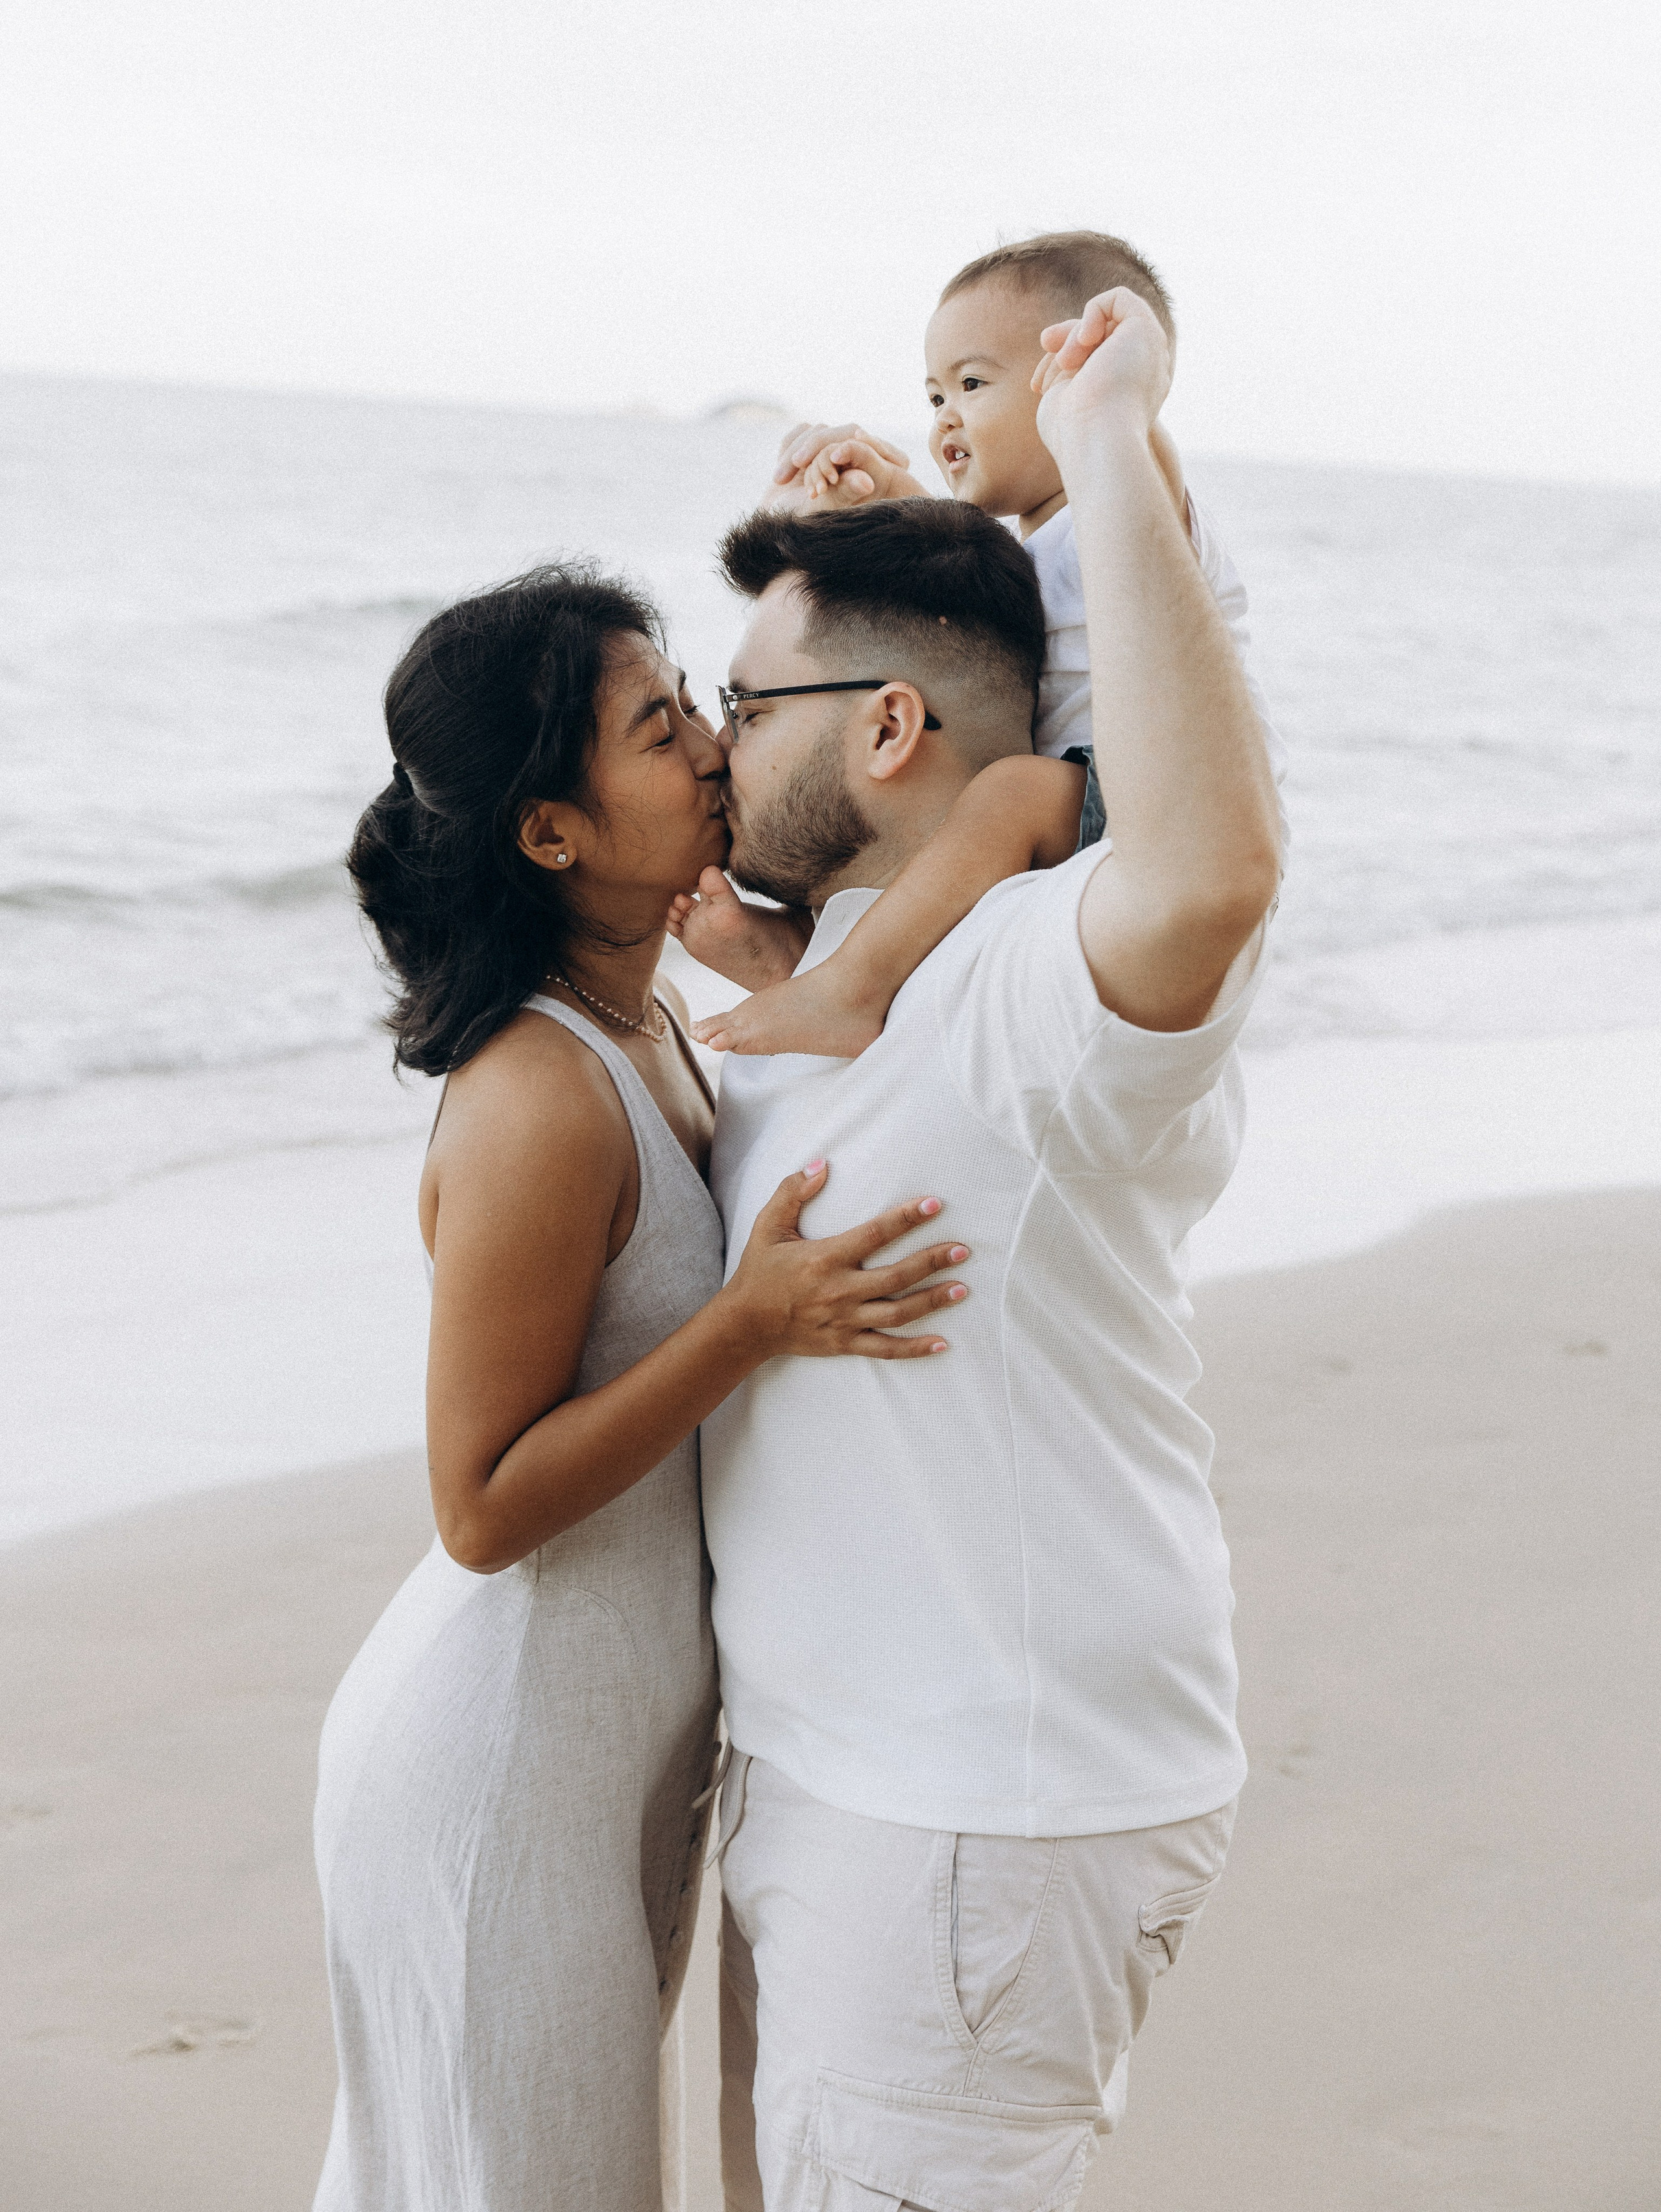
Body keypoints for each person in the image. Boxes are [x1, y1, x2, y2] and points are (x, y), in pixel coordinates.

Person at [697, 290, 1282, 2210]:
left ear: (883, 728)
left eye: (738, 707)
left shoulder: (1034, 981)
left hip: (969, 1813)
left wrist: (1107, 441)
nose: (708, 752)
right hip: (849, 1780)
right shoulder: (838, 981)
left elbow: (1207, 864)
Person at [310, 564, 973, 2212]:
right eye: (658, 725)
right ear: (550, 832)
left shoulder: (656, 1019)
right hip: (496, 1770)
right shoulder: (537, 1093)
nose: (706, 750)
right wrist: (746, 1328)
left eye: (694, 704)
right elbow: (477, 1508)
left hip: (606, 1755)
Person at [667, 228, 1287, 1059]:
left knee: (1009, 793)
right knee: (910, 810)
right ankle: (808, 955)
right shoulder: (1040, 546)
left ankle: (852, 984)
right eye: (932, 397)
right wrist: (896, 506)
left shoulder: (1133, 494)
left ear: (1078, 373)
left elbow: (1132, 534)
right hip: (1088, 815)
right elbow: (980, 613)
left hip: (1155, 810)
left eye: (971, 383)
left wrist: (1114, 412)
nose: (946, 417)